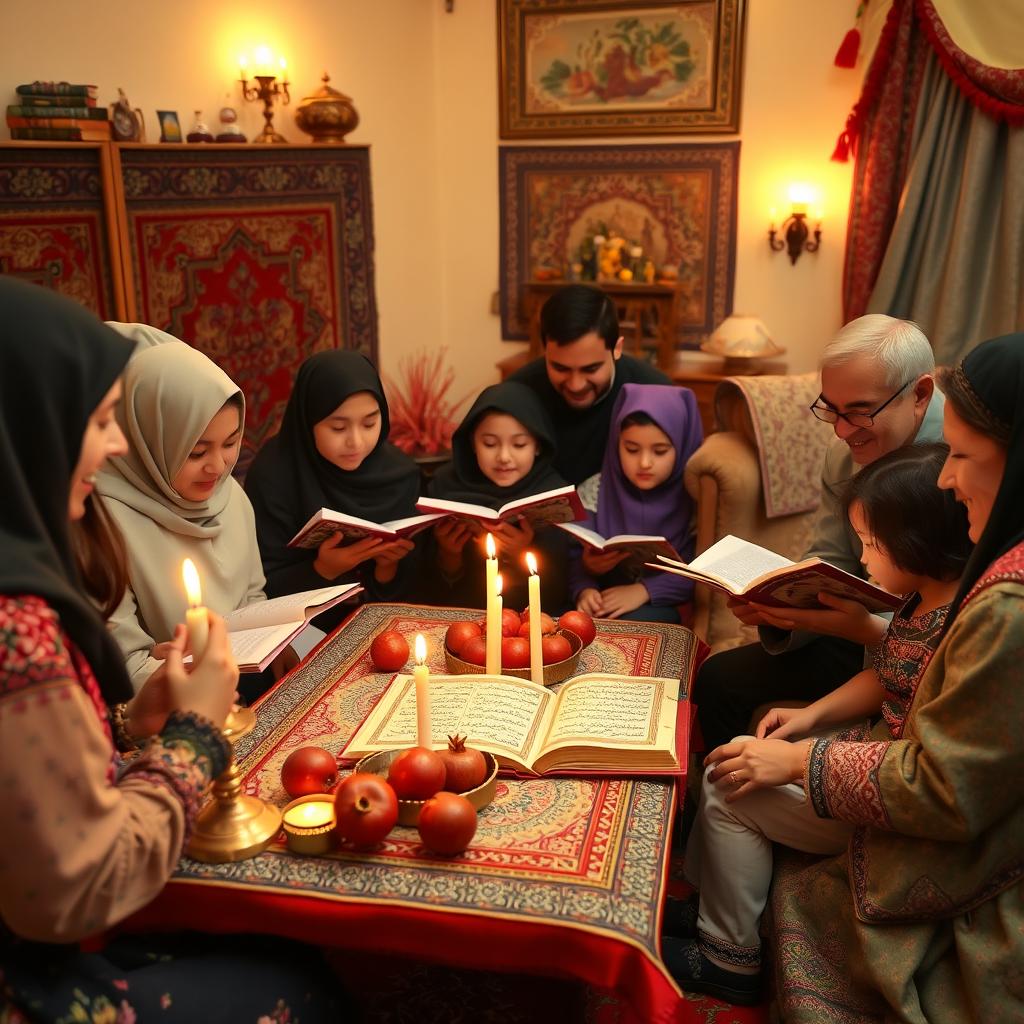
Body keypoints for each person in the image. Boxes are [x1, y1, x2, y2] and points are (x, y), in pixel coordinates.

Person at [0, 279, 343, 1022]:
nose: (117, 442)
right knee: (299, 982)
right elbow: (74, 887)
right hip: (31, 972)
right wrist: (189, 739)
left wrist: (129, 726)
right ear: (30, 429)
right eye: (96, 421)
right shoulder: (18, 623)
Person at [663, 442, 972, 1005]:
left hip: (891, 811)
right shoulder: (923, 602)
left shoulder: (963, 624)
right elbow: (888, 673)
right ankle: (709, 901)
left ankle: (728, 954)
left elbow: (924, 770)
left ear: (918, 544)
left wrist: (802, 753)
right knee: (732, 759)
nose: (863, 559)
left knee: (728, 786)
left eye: (871, 545)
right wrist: (810, 715)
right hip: (871, 753)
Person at [693, 315, 945, 753]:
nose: (842, 430)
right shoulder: (843, 454)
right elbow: (830, 558)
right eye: (831, 408)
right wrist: (784, 606)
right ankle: (715, 796)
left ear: (919, 394)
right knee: (718, 679)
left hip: (934, 652)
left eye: (860, 411)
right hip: (853, 636)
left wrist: (872, 629)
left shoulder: (963, 463)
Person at [94, 326, 275, 692]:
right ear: (145, 440)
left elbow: (254, 598)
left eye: (231, 442)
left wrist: (277, 647)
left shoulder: (230, 497)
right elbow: (124, 667)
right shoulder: (101, 523)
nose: (218, 466)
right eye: (195, 451)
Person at [245, 350, 421, 612]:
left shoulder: (400, 474)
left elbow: (417, 589)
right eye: (338, 428)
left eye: (369, 424)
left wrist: (387, 568)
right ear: (308, 421)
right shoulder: (274, 475)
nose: (356, 442)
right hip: (299, 632)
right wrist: (323, 570)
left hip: (383, 626)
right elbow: (258, 589)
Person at [423, 381, 570, 614]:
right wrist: (449, 554)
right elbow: (427, 592)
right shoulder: (444, 487)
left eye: (519, 444)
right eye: (490, 443)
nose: (503, 457)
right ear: (472, 443)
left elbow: (560, 590)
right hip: (463, 620)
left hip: (531, 622)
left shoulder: (554, 493)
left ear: (538, 445)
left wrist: (522, 550)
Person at [508, 284, 670, 484]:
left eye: (591, 369)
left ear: (617, 349)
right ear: (545, 351)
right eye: (560, 368)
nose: (576, 385)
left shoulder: (657, 392)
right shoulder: (519, 392)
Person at [569, 383, 703, 623]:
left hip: (664, 606)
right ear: (615, 443)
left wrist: (644, 591)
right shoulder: (595, 491)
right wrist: (585, 585)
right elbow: (572, 558)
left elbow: (704, 573)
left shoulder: (697, 498)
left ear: (682, 447)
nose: (644, 463)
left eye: (659, 451)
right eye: (631, 449)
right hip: (602, 604)